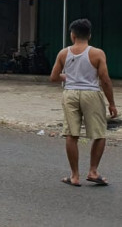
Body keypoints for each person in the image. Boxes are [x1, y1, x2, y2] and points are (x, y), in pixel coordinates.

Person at [50, 19, 117, 187]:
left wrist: (66, 77)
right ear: (90, 35)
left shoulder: (63, 53)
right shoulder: (97, 53)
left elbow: (53, 77)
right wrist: (112, 103)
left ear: (72, 35)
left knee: (71, 134)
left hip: (70, 94)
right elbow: (105, 80)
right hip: (91, 94)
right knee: (99, 133)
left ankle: (74, 176)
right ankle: (93, 171)